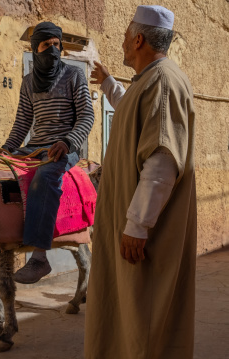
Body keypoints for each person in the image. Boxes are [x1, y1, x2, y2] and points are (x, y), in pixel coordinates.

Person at [85, 5, 196, 359]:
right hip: (133, 226)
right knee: (129, 312)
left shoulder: (162, 81)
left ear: (138, 39)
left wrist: (137, 224)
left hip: (144, 233)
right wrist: (107, 82)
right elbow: (132, 111)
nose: (121, 44)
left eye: (124, 37)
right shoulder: (150, 81)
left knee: (145, 313)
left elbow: (161, 158)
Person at [0, 21, 95, 284]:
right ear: (35, 49)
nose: (53, 50)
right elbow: (22, 122)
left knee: (45, 177)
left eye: (57, 45)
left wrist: (68, 141)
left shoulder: (74, 76)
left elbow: (87, 116)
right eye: (46, 45)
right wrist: (6, 150)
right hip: (34, 147)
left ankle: (40, 257)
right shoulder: (29, 82)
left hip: (64, 148)